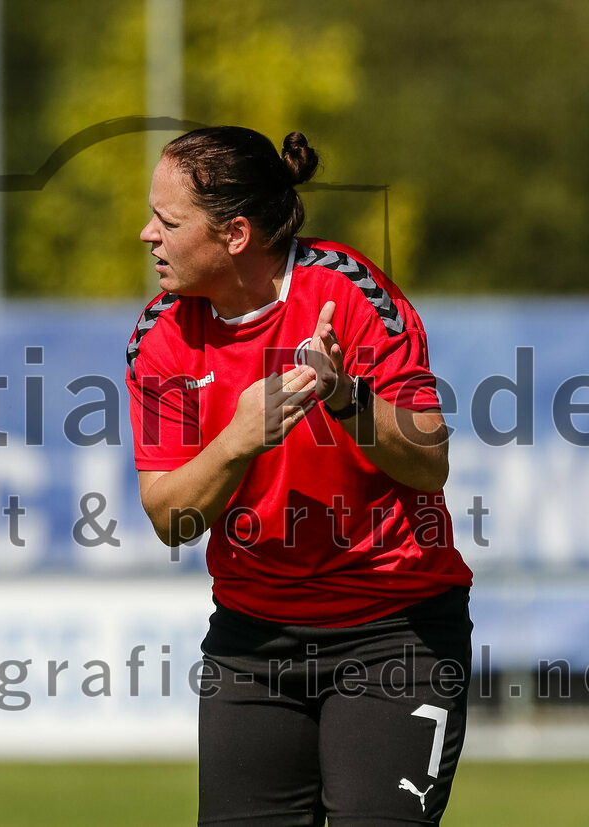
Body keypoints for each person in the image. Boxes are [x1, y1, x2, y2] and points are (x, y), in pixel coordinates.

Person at [125, 126, 474, 826]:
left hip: (393, 631)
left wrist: (346, 397)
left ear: (235, 234)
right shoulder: (160, 336)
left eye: (168, 222)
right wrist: (236, 442)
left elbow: (429, 461)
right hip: (251, 643)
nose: (147, 235)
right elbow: (170, 518)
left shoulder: (348, 291)